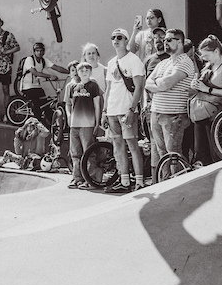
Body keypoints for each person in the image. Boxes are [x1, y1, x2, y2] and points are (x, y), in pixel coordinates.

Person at [101, 28, 146, 193]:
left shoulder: (134, 60)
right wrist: (105, 111)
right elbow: (108, 89)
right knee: (118, 146)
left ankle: (139, 181)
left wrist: (131, 109)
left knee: (132, 145)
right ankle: (124, 180)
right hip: (112, 111)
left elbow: (139, 87)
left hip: (126, 110)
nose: (116, 40)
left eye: (119, 37)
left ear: (127, 40)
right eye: (113, 37)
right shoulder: (112, 62)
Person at [145, 28, 196, 167]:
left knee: (173, 154)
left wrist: (160, 84)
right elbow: (147, 83)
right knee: (162, 154)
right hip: (156, 113)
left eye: (169, 40)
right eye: (164, 40)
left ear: (179, 42)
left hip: (174, 116)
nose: (164, 42)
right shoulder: (163, 63)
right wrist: (160, 86)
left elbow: (168, 82)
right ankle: (165, 183)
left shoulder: (185, 62)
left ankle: (179, 184)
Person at [189, 36, 222, 165]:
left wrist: (207, 89)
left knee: (215, 153)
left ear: (216, 51)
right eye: (202, 56)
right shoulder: (210, 66)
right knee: (202, 153)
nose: (204, 58)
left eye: (206, 55)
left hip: (216, 115)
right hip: (202, 114)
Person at [66, 62, 102, 189]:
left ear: (90, 72)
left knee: (89, 152)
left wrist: (97, 123)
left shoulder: (93, 86)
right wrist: (69, 117)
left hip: (88, 124)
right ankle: (77, 177)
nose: (84, 72)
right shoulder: (72, 87)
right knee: (75, 152)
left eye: (87, 69)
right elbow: (70, 104)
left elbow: (97, 105)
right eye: (81, 70)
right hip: (74, 124)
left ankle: (91, 178)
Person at [0, 16, 20, 121]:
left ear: (1, 23)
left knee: (6, 89)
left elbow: (17, 47)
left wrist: (6, 52)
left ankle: (7, 114)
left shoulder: (8, 35)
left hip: (5, 65)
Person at [21, 42, 57, 125]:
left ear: (43, 52)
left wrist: (70, 72)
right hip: (27, 86)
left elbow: (56, 67)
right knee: (37, 103)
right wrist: (50, 76)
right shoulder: (29, 59)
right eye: (37, 51)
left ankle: (52, 123)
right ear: (34, 52)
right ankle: (37, 122)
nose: (39, 53)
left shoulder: (43, 60)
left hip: (37, 86)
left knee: (45, 103)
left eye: (41, 51)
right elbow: (35, 73)